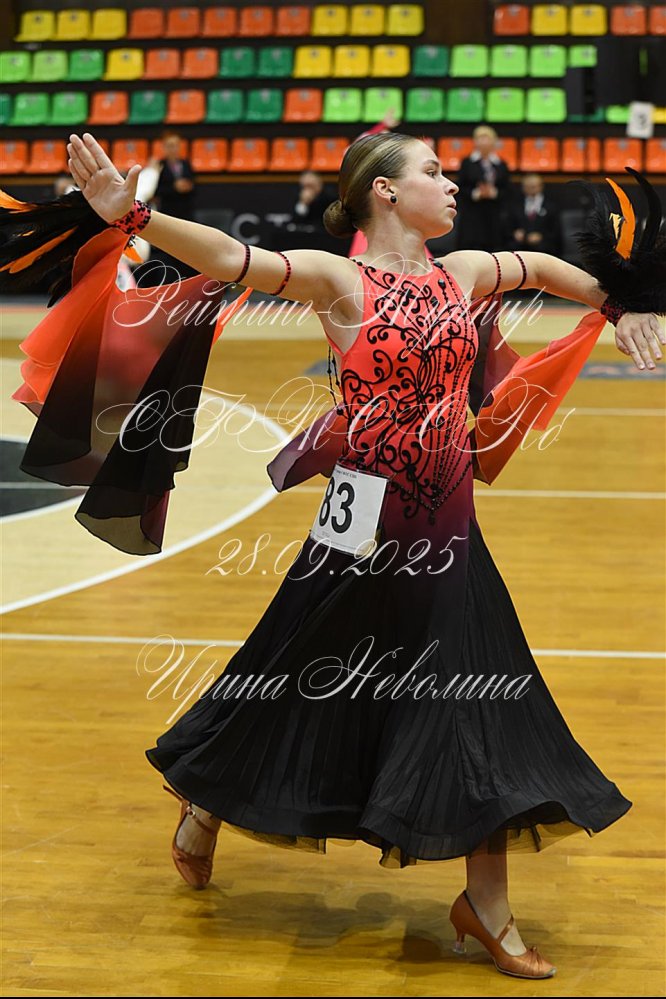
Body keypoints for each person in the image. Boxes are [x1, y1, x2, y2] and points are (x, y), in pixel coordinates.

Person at [9, 130, 665, 981]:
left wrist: (622, 303)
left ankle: (486, 904)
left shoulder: (463, 272)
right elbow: (231, 258)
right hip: (362, 526)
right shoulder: (338, 278)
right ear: (385, 192)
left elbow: (539, 266)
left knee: (477, 692)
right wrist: (134, 217)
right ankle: (206, 797)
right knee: (289, 672)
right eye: (433, 171)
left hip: (448, 527)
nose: (451, 183)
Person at [456, 125, 510, 253]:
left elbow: (507, 189)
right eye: (480, 138)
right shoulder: (467, 163)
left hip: (493, 215)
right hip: (472, 214)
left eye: (487, 138)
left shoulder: (501, 164)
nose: (484, 142)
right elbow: (461, 187)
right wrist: (477, 193)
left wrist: (493, 193)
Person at [504, 173, 562, 257]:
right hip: (520, 246)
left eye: (533, 187)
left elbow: (556, 230)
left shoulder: (551, 206)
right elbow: (508, 225)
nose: (531, 190)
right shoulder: (514, 204)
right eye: (527, 187)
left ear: (541, 186)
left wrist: (541, 236)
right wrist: (515, 233)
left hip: (544, 247)